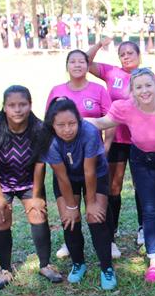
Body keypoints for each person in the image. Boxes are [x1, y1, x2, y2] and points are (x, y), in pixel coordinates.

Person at [86, 68, 155, 283]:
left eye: (148, 85)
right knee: (150, 210)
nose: (144, 90)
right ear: (132, 90)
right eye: (138, 87)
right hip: (142, 162)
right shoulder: (125, 107)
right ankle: (152, 260)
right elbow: (103, 123)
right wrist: (75, 121)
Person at [0, 85, 63, 289]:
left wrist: (35, 195)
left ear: (30, 105)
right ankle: (6, 270)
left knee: (38, 214)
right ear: (4, 107)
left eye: (22, 104)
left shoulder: (40, 128)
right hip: (0, 181)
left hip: (28, 179)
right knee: (1, 219)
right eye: (12, 105)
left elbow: (40, 163)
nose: (18, 110)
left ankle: (45, 264)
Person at [47, 50, 119, 259]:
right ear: (66, 65)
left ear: (88, 65)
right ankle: (71, 243)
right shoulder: (57, 91)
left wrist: (105, 146)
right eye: (73, 61)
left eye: (82, 61)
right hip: (66, 161)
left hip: (91, 156)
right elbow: (48, 121)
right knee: (71, 207)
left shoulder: (98, 89)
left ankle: (109, 242)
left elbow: (110, 118)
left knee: (98, 206)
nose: (77, 65)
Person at [41, 98, 117, 290]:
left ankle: (107, 268)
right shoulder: (48, 138)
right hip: (67, 178)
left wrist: (90, 203)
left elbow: (89, 171)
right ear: (52, 125)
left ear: (79, 121)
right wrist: (72, 207)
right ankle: (78, 263)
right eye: (61, 125)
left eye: (72, 123)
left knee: (96, 217)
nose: (67, 129)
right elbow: (61, 176)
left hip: (95, 174)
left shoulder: (89, 132)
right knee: (69, 218)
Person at [87, 38, 145, 247]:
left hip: (141, 139)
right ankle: (112, 229)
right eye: (122, 53)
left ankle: (143, 228)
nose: (126, 56)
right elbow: (85, 61)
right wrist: (98, 45)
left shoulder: (147, 75)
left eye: (130, 52)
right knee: (114, 186)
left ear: (139, 55)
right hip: (117, 139)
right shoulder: (111, 72)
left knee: (142, 185)